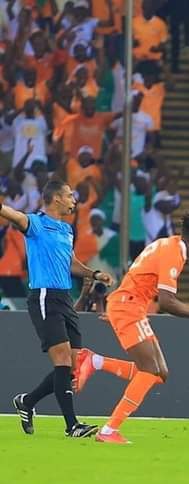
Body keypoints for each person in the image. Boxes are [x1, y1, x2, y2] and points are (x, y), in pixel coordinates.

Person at [90, 211, 189, 444]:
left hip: (129, 306)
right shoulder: (174, 252)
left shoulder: (166, 243)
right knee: (150, 371)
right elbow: (166, 302)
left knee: (160, 373)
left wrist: (118, 309)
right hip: (129, 307)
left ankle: (95, 362)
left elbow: (137, 277)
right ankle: (109, 430)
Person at [0, 180, 114, 437]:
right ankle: (72, 425)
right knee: (62, 359)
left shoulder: (66, 229)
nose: (74, 200)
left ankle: (27, 402)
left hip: (63, 297)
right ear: (56, 199)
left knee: (70, 367)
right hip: (44, 296)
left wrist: (94, 273)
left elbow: (71, 264)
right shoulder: (35, 223)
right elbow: (10, 213)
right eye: (70, 195)